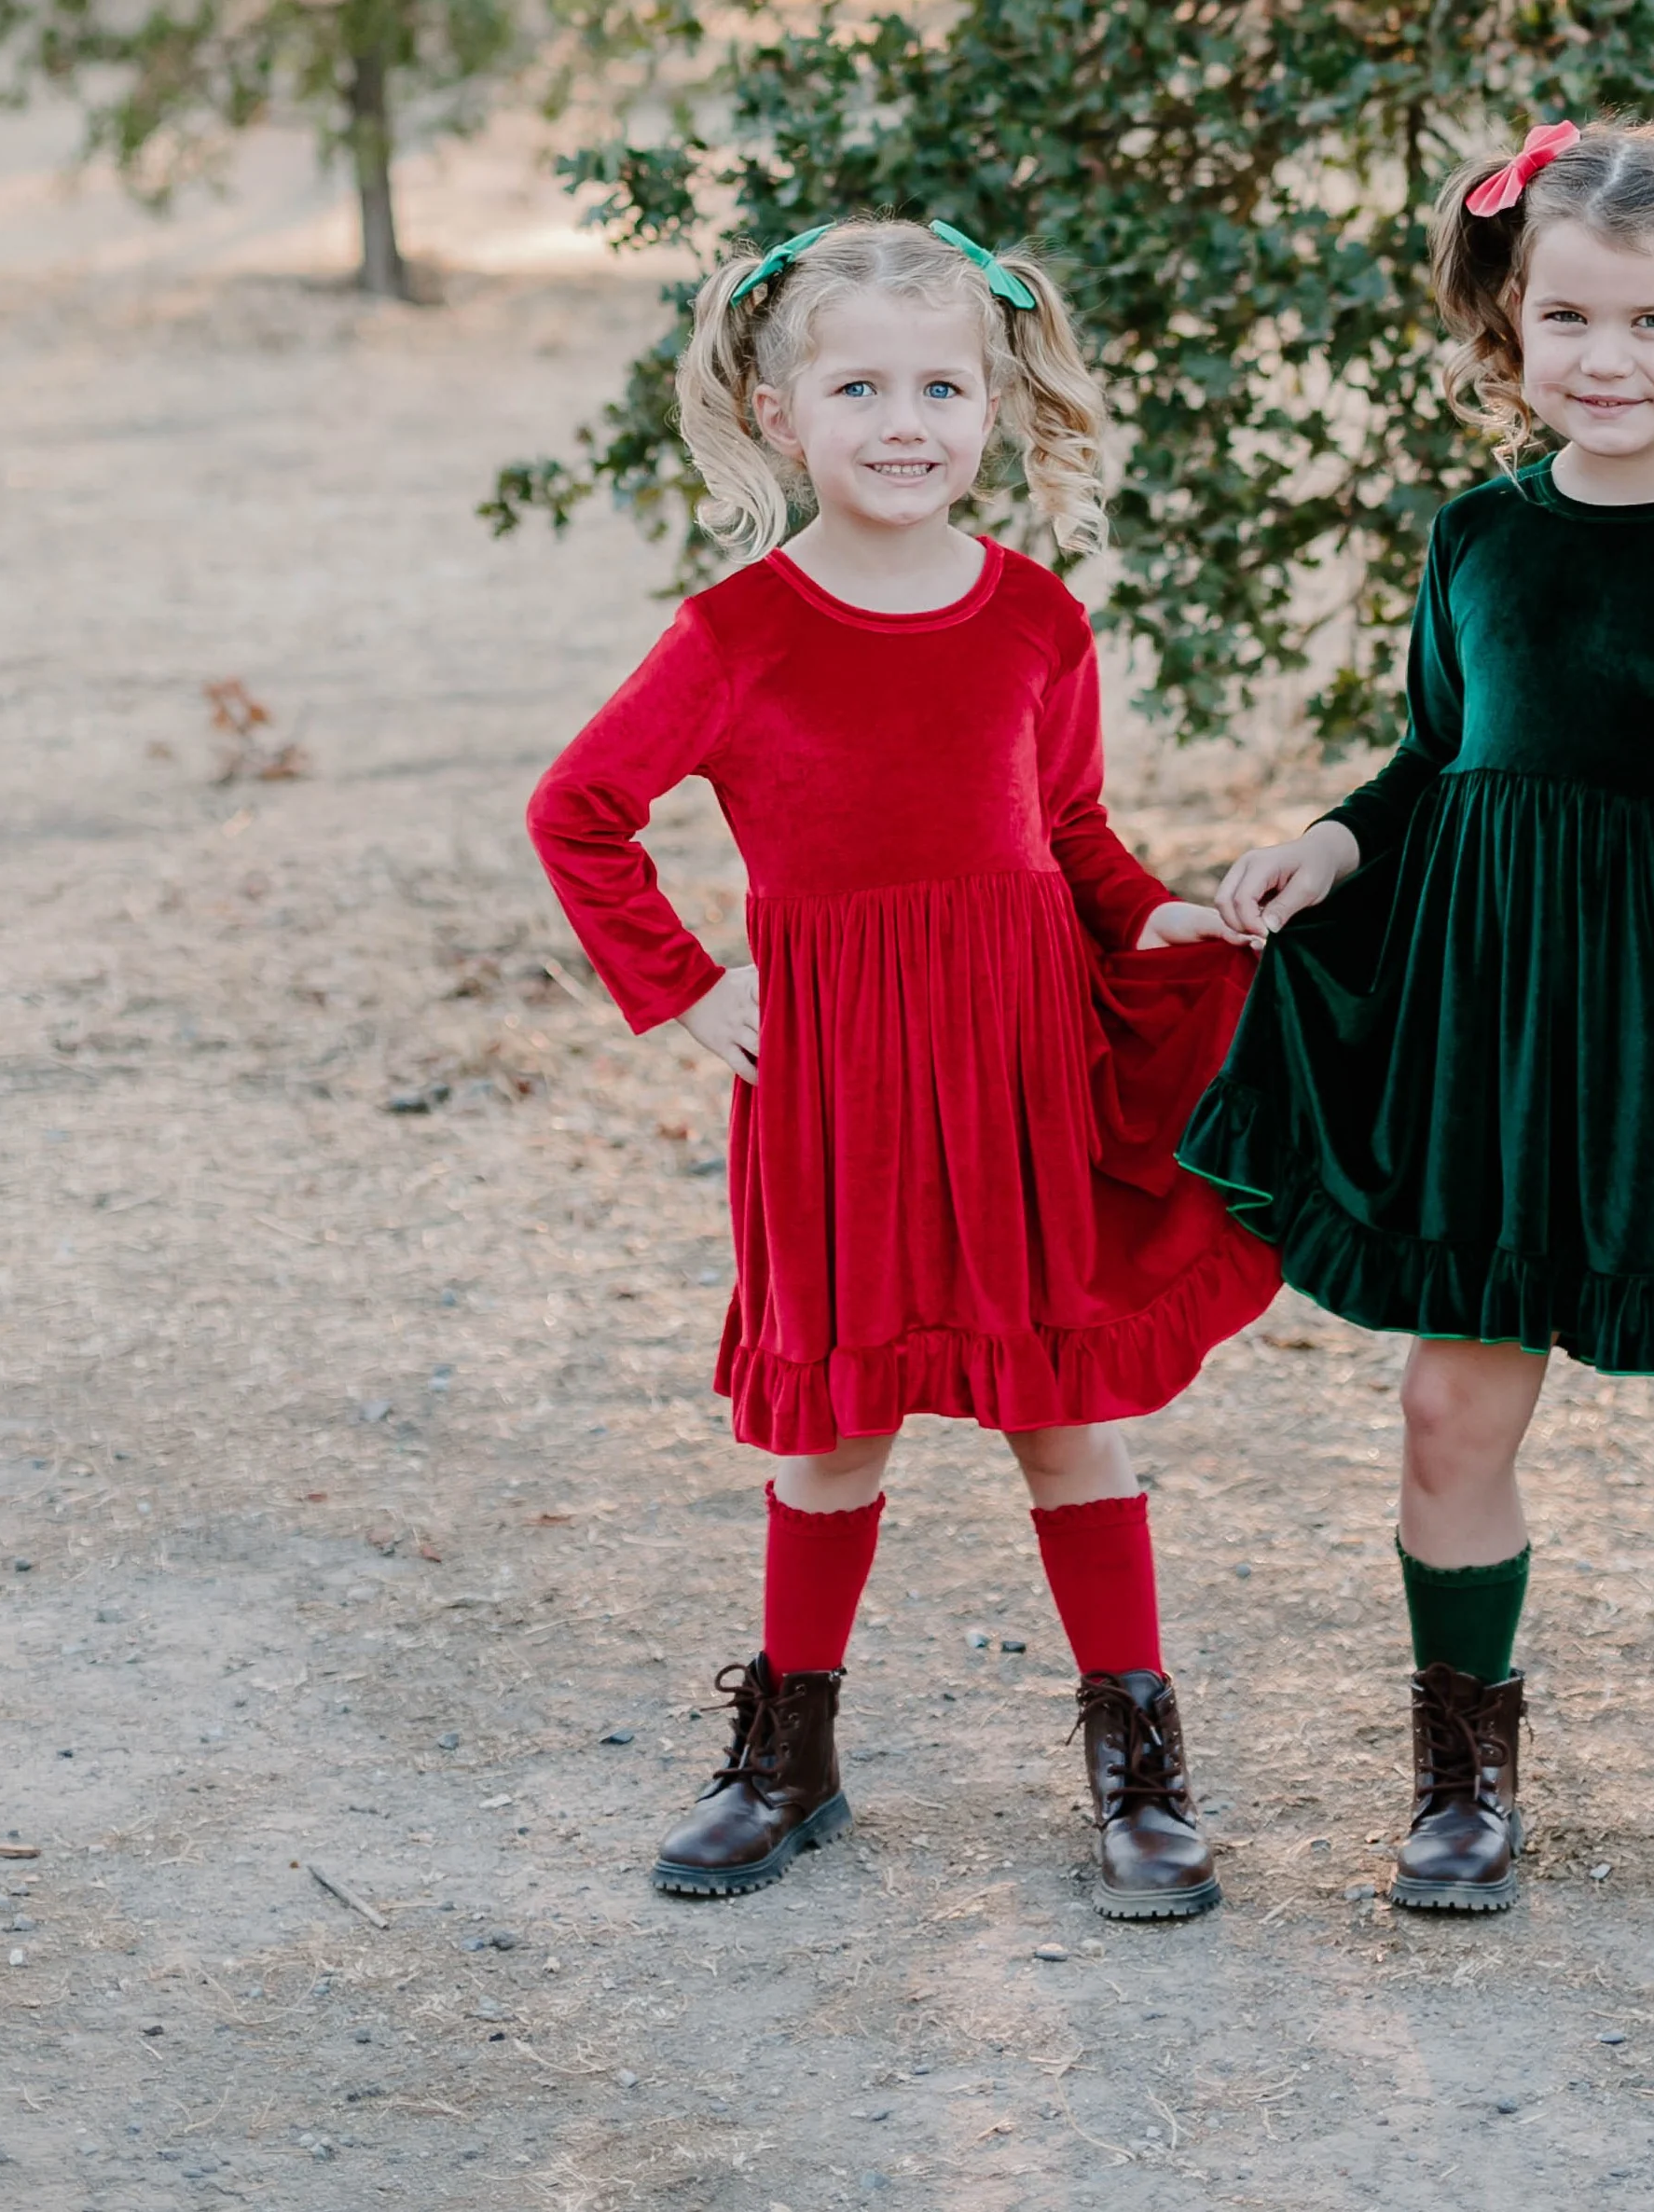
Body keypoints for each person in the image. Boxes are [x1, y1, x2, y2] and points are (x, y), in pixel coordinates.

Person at [1179, 120, 1654, 1929]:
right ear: (1510, 326)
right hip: (1500, 1035)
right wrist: (1331, 837)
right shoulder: (1479, 539)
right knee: (1450, 1409)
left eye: (1652, 325)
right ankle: (1463, 1768)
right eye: (1567, 321)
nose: (1606, 363)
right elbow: (1443, 758)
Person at [527, 216, 1280, 1919]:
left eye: (942, 385)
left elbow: (1073, 832)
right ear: (785, 416)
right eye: (859, 385)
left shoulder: (1033, 620)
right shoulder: (735, 634)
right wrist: (682, 983)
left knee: (1064, 1415)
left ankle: (1137, 1767)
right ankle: (790, 1757)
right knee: (837, 1433)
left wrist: (1159, 918)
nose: (904, 421)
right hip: (841, 1090)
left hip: (1020, 1070)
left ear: (995, 405)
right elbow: (578, 811)